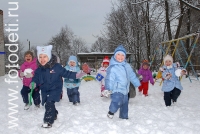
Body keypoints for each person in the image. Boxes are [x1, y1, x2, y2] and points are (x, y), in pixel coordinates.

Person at [30, 45, 89, 128]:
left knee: (49, 103)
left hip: (55, 89)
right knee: (48, 103)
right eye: (40, 57)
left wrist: (81, 73)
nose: (42, 59)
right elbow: (35, 78)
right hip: (44, 90)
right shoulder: (39, 69)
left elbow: (68, 74)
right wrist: (33, 83)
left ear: (49, 56)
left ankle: (48, 120)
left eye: (44, 56)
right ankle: (54, 114)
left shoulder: (57, 67)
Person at [103, 45, 141, 119]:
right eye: (118, 54)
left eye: (122, 55)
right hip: (116, 90)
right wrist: (108, 88)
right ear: (115, 56)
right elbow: (109, 79)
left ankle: (124, 117)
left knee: (124, 104)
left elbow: (132, 75)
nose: (120, 57)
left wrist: (136, 82)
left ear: (125, 57)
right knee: (117, 101)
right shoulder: (113, 67)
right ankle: (111, 111)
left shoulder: (127, 66)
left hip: (125, 90)